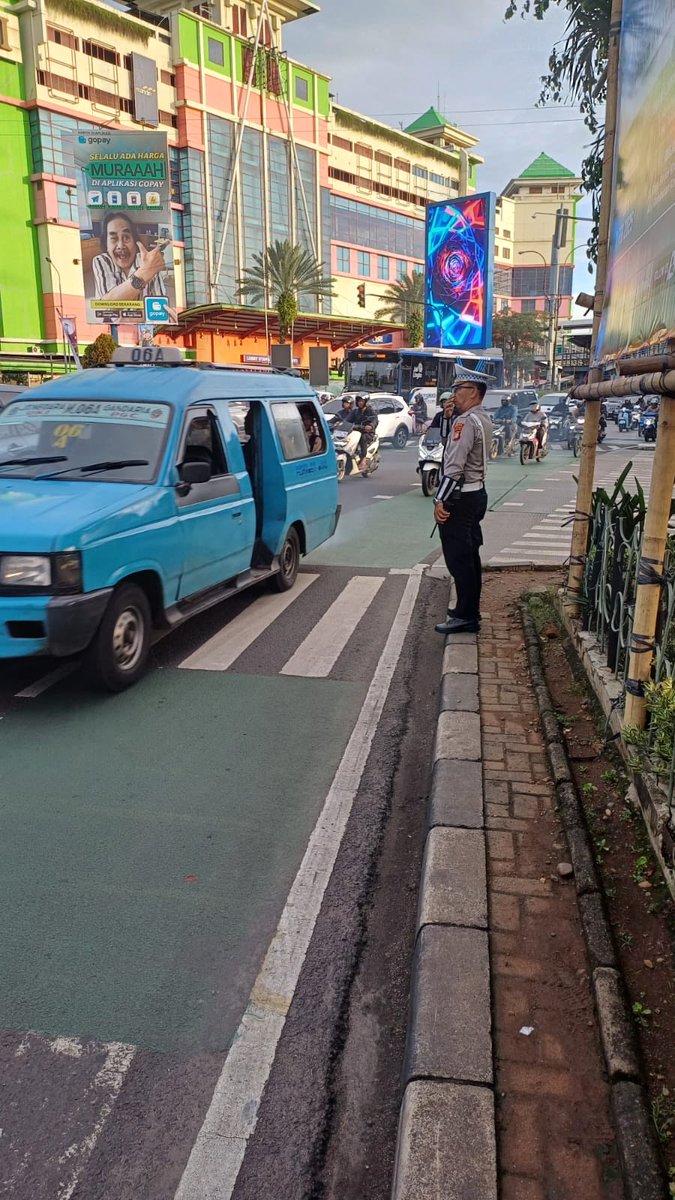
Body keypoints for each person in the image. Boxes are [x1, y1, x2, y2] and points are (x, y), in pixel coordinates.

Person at [434, 378, 492, 635]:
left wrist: (441, 500)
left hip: (461, 498)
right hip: (477, 493)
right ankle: (466, 610)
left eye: (460, 390)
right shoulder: (479, 418)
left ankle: (467, 616)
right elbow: (452, 447)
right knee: (470, 556)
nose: (454, 394)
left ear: (474, 393)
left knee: (459, 559)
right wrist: (448, 418)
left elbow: (454, 465)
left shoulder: (466, 421)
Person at [92, 212, 167, 302]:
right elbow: (107, 304)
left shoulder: (148, 261)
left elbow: (159, 308)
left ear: (135, 241)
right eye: (114, 238)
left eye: (126, 237)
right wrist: (145, 272)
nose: (120, 245)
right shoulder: (101, 260)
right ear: (106, 244)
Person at [351, 394, 379, 469]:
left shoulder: (371, 411)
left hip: (368, 433)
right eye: (359, 401)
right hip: (356, 432)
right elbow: (347, 419)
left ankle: (363, 459)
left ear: (366, 402)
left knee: (363, 438)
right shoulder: (355, 411)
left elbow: (375, 420)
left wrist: (371, 426)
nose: (360, 403)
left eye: (362, 401)